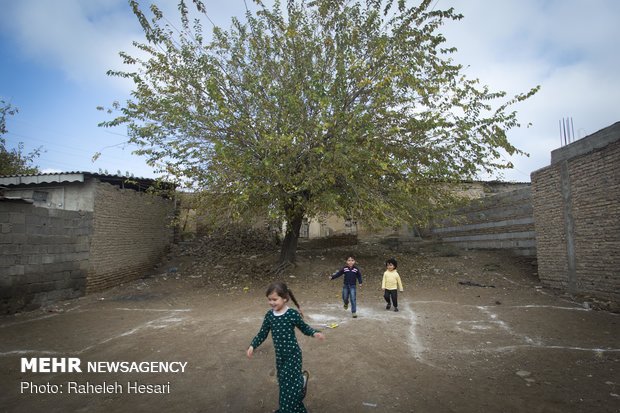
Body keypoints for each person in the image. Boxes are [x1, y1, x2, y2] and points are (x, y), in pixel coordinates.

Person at [247, 282, 325, 413]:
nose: (271, 302)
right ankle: (301, 386)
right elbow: (262, 333)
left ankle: (285, 408)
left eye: (274, 299)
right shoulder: (269, 316)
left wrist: (314, 332)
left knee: (290, 387)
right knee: (284, 385)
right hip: (280, 357)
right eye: (269, 300)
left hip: (293, 356)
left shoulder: (292, 314)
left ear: (284, 298)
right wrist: (252, 345)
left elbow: (304, 328)